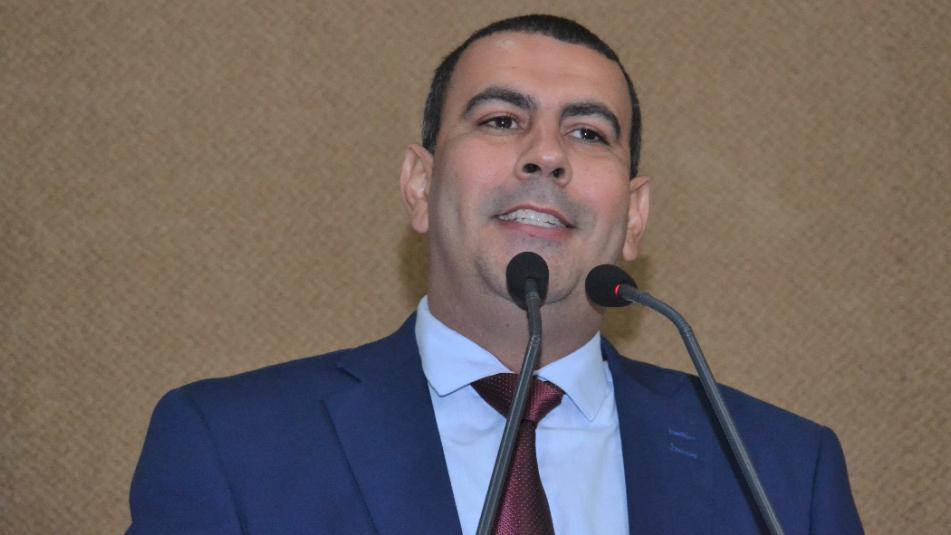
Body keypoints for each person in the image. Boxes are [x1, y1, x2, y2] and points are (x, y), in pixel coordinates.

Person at [127, 14, 864, 535]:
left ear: (634, 216)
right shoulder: (232, 446)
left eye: (587, 132)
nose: (546, 155)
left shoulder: (782, 473)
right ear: (420, 185)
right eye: (501, 121)